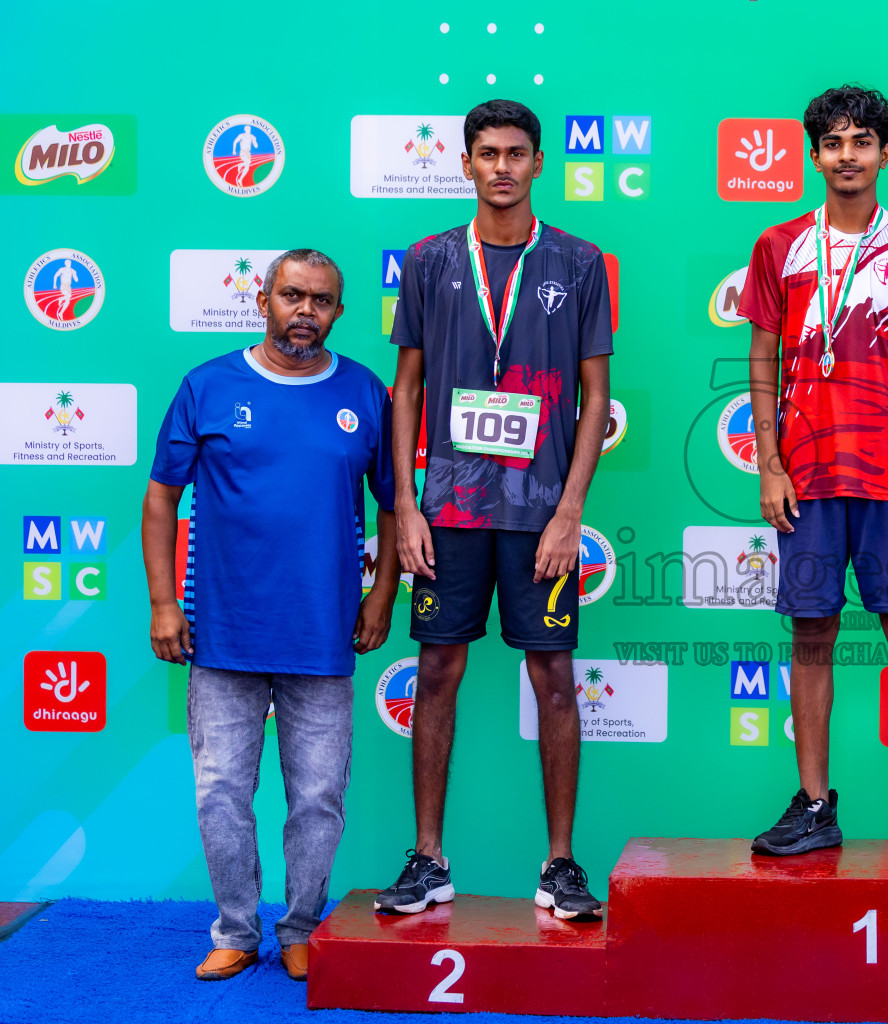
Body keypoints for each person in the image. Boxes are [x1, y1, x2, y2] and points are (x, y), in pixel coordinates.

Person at [378, 99, 612, 918]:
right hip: (448, 507)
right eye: (488, 153)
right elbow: (406, 388)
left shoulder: (579, 263)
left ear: (539, 162)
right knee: (437, 670)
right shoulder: (431, 258)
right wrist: (406, 505)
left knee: (553, 677)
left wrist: (569, 510)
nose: (503, 166)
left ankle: (560, 865)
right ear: (466, 162)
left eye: (517, 152)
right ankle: (427, 859)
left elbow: (595, 395)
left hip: (539, 511)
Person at [142, 249, 398, 981]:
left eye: (321, 301)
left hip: (324, 632)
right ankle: (234, 928)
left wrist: (382, 595)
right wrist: (164, 602)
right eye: (292, 296)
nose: (304, 313)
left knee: (318, 796)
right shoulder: (209, 386)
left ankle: (299, 927)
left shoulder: (364, 392)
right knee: (222, 791)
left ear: (338, 313)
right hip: (222, 632)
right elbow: (161, 495)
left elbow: (392, 503)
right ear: (263, 299)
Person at [738, 85, 888, 860]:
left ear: (884, 153)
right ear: (814, 155)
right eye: (832, 142)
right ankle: (813, 803)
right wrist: (769, 463)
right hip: (804, 473)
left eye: (861, 141)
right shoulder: (778, 246)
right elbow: (761, 355)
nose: (847, 155)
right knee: (811, 631)